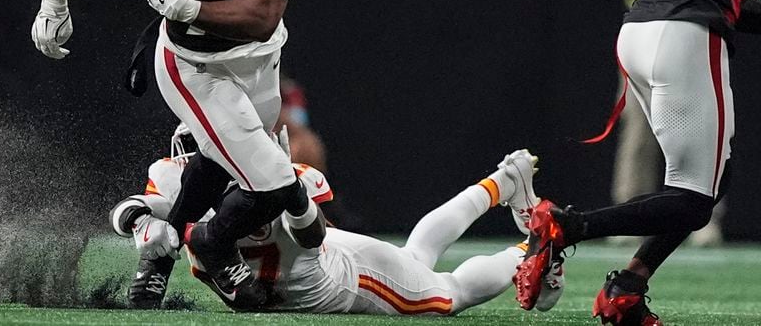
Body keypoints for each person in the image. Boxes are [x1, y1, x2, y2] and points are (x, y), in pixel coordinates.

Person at [30, 0, 318, 309]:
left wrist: (185, 6)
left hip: (259, 53)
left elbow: (263, 16)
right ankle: (211, 247)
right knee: (273, 182)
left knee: (223, 164)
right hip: (191, 65)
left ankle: (155, 240)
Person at [514, 0, 760, 324]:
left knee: (708, 177)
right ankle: (565, 225)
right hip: (685, 33)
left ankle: (629, 284)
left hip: (639, 33)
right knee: (694, 199)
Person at [111, 138, 566, 314]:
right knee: (416, 257)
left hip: (335, 279)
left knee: (448, 295)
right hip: (303, 275)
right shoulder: (176, 175)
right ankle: (504, 182)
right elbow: (129, 212)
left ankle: (535, 247)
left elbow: (313, 234)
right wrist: (157, 235)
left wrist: (200, 236)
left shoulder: (294, 178)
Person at [612, 0, 726, 248]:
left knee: (703, 129)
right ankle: (629, 211)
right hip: (647, 28)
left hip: (694, 29)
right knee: (639, 130)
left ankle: (701, 216)